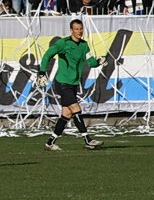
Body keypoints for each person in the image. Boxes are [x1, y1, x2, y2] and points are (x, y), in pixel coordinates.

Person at [37, 19, 105, 151]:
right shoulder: (63, 43)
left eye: (81, 29)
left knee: (67, 114)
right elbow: (47, 55)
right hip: (62, 83)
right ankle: (88, 140)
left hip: (73, 84)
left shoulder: (84, 45)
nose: (79, 31)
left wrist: (99, 61)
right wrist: (41, 72)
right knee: (76, 109)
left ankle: (50, 143)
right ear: (71, 30)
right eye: (76, 29)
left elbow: (90, 62)